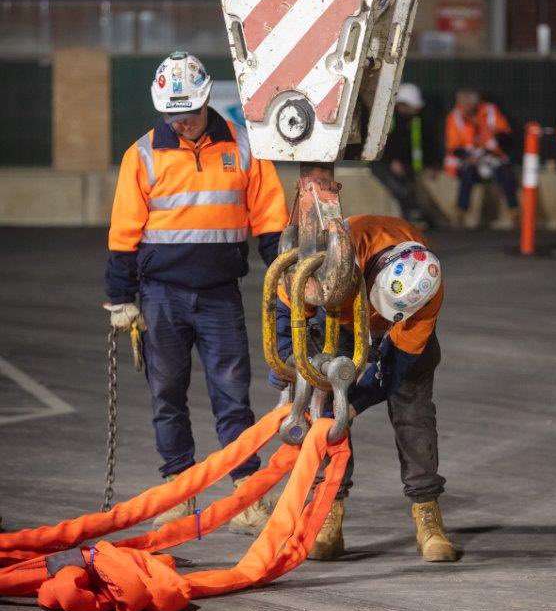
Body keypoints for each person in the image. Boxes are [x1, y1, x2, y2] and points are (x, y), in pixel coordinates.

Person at [105, 51, 288, 532]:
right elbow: (124, 230)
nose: (182, 122)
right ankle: (179, 491)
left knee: (232, 397)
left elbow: (269, 221)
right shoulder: (142, 154)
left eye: (188, 112)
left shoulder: (245, 149)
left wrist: (284, 274)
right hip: (160, 296)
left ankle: (246, 494)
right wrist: (121, 297)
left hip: (220, 296)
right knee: (167, 395)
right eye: (173, 115)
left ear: (207, 100)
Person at [273, 214, 456, 564]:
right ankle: (329, 513)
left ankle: (427, 513)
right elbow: (289, 301)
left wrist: (354, 403)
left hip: (400, 327)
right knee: (325, 411)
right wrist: (286, 362)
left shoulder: (425, 288)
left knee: (413, 410)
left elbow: (397, 365)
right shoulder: (333, 257)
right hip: (338, 319)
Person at [371, 83, 441, 231]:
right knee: (401, 189)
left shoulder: (417, 121)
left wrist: (433, 164)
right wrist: (392, 160)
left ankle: (417, 217)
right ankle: (412, 216)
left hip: (405, 165)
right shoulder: (390, 121)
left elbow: (427, 144)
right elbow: (385, 143)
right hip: (382, 164)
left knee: (411, 188)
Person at [444, 89, 519, 226]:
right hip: (468, 160)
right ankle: (460, 214)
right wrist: (468, 157)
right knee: (467, 174)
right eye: (462, 104)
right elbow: (453, 147)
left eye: (468, 104)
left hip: (490, 156)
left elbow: (505, 135)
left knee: (506, 174)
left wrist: (493, 140)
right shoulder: (454, 116)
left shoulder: (490, 111)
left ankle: (514, 212)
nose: (465, 107)